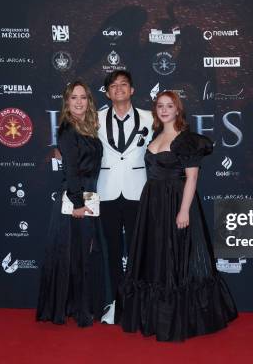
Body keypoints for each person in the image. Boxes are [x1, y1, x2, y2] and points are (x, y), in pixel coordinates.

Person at [117, 91, 237, 341]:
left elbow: (192, 177)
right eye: (160, 106)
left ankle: (177, 319)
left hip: (176, 202)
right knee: (156, 258)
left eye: (169, 106)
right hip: (152, 204)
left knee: (177, 258)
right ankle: (154, 316)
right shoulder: (155, 135)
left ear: (178, 109)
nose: (164, 110)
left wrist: (183, 210)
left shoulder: (187, 140)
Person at [36, 81, 107, 327]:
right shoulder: (68, 129)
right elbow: (71, 170)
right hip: (76, 197)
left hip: (89, 193)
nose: (78, 102)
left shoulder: (87, 127)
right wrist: (77, 203)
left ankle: (78, 306)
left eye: (83, 97)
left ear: (89, 101)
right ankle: (77, 309)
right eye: (73, 98)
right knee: (75, 254)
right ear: (66, 102)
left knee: (81, 254)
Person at [96, 70, 153, 323]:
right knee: (111, 249)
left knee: (138, 249)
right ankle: (116, 303)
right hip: (106, 191)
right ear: (107, 93)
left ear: (132, 90)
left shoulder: (150, 119)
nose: (118, 89)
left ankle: (138, 303)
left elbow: (169, 140)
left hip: (137, 191)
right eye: (113, 86)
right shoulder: (94, 119)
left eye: (124, 85)